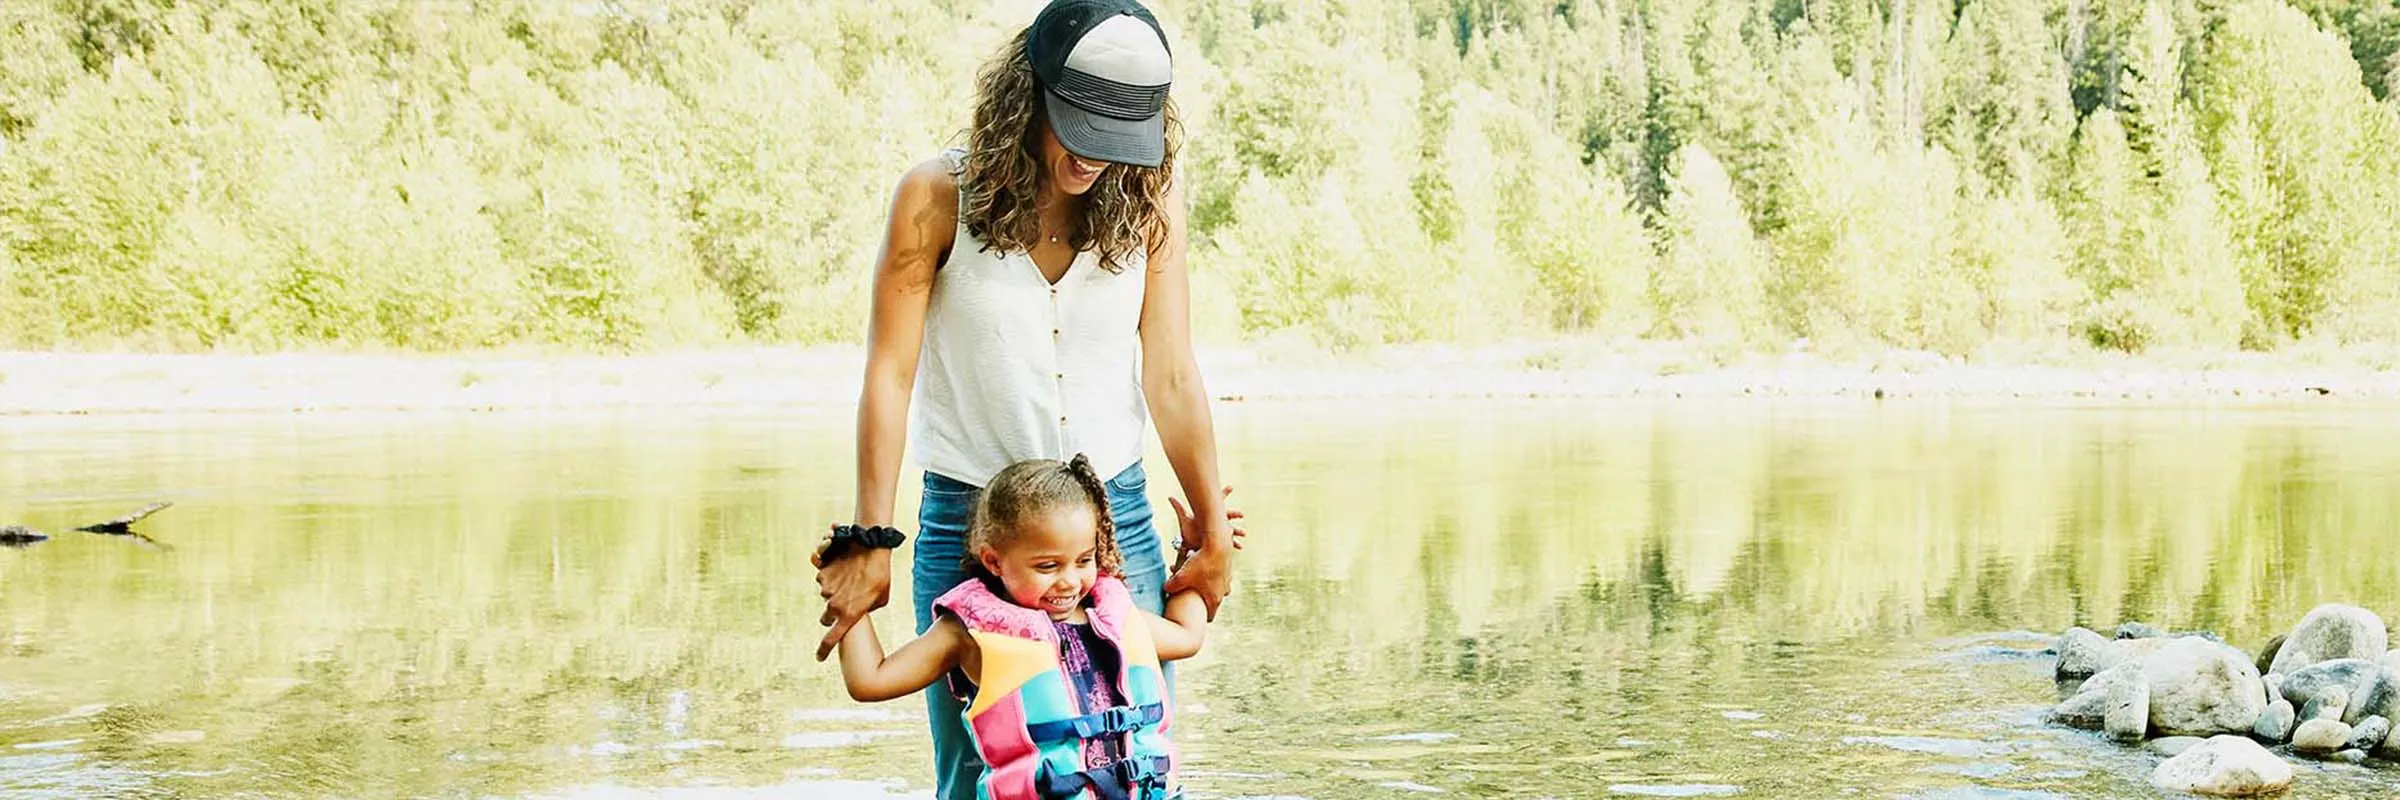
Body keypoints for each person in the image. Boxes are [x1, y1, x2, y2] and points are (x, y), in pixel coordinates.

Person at [811, 1, 1242, 798]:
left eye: (1119, 134)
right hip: (972, 524)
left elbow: (1172, 373)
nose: (1094, 155)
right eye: (1080, 123)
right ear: (1030, 94)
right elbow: (888, 377)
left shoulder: (1148, 198)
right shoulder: (936, 195)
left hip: (1113, 527)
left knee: (1121, 765)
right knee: (980, 775)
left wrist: (1212, 529)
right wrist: (869, 538)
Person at [833, 456, 1208, 800]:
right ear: (993, 561)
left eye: (1084, 560)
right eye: (1048, 566)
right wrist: (848, 598)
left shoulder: (1116, 616)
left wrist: (1195, 552)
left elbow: (1187, 634)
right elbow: (870, 680)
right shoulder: (968, 634)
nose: (1070, 581)